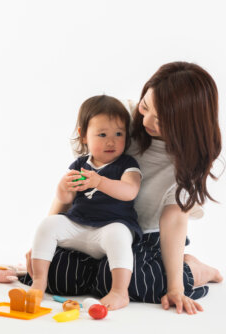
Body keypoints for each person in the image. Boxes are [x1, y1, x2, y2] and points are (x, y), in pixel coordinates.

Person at [21, 61, 223, 315]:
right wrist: (45, 243)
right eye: (145, 107)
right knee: (58, 275)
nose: (145, 121)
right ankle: (96, 275)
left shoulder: (187, 164)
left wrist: (176, 287)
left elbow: (173, 223)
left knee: (137, 282)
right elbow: (74, 186)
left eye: (159, 119)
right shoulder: (118, 121)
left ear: (184, 123)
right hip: (89, 224)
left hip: (144, 238)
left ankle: (193, 268)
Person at [30, 95, 142, 310]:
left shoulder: (127, 164)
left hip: (110, 227)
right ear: (83, 136)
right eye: (102, 135)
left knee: (119, 235)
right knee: (48, 224)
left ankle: (119, 291)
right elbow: (66, 200)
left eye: (119, 134)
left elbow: (130, 191)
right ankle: (39, 281)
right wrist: (63, 187)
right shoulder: (80, 164)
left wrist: (99, 181)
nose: (111, 141)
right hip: (79, 226)